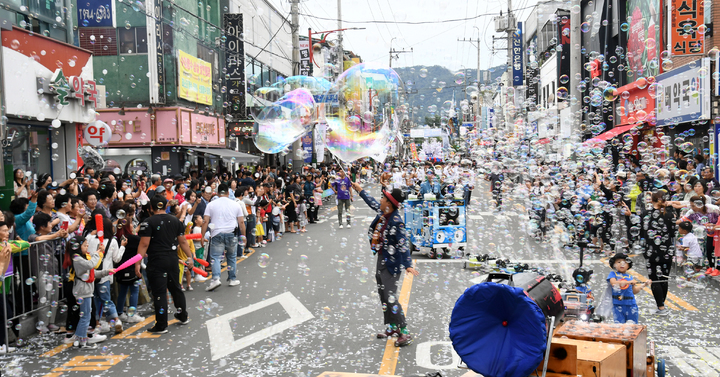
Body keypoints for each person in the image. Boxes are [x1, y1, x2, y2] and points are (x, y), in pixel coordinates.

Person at [350, 180, 419, 347]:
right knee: (383, 296)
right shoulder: (383, 213)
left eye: (383, 198)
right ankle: (392, 327)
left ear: (389, 203)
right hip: (382, 259)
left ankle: (404, 331)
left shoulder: (396, 221)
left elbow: (403, 244)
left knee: (390, 297)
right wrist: (360, 190)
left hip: (392, 263)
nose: (380, 200)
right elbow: (372, 202)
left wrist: (408, 264)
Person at [136, 195, 192, 333]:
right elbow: (183, 241)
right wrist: (190, 257)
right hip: (172, 259)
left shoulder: (147, 223)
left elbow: (144, 244)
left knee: (159, 292)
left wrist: (137, 263)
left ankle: (161, 325)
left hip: (156, 260)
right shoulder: (175, 221)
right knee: (176, 288)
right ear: (166, 206)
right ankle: (183, 316)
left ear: (151, 208)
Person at [69, 235, 113, 349]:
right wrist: (96, 253)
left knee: (85, 315)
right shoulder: (77, 258)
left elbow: (92, 273)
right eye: (85, 245)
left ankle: (79, 340)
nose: (87, 246)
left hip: (85, 291)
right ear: (78, 246)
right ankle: (81, 341)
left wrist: (106, 272)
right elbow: (91, 265)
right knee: (86, 316)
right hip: (83, 291)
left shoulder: (81, 258)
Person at [201, 183, 246, 291]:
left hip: (216, 234)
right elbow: (241, 222)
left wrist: (202, 236)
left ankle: (216, 279)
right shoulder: (235, 204)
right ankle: (232, 279)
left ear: (217, 192)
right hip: (232, 233)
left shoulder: (211, 204)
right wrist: (243, 235)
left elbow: (205, 221)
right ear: (228, 192)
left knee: (215, 257)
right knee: (231, 256)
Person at [641, 191, 674, 316]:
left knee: (654, 279)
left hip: (651, 250)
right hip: (667, 249)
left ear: (652, 200)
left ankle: (660, 307)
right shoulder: (669, 214)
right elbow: (672, 233)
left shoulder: (646, 213)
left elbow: (642, 233)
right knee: (664, 279)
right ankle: (662, 305)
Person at [607, 253, 647, 324]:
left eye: (625, 262)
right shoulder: (613, 274)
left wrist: (644, 285)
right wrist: (629, 282)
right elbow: (614, 283)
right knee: (619, 326)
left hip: (631, 304)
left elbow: (634, 291)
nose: (622, 264)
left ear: (628, 265)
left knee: (633, 325)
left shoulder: (630, 277)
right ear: (614, 265)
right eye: (619, 262)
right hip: (618, 304)